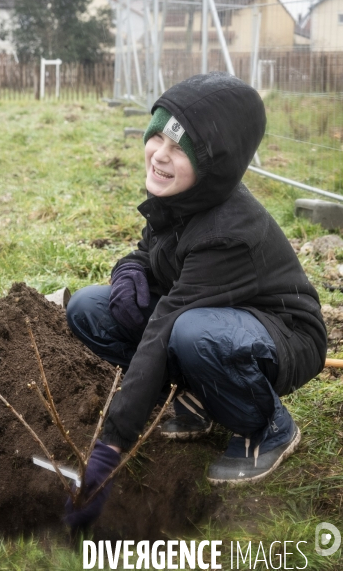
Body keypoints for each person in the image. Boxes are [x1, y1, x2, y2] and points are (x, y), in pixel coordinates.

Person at [64, 72, 327, 531]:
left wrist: (110, 447)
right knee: (89, 307)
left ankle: (267, 427)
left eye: (179, 148)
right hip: (209, 313)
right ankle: (196, 399)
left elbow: (168, 321)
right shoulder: (183, 194)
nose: (160, 155)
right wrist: (129, 271)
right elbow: (151, 250)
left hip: (280, 332)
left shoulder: (227, 231)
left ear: (213, 164)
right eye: (157, 137)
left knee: (193, 333)